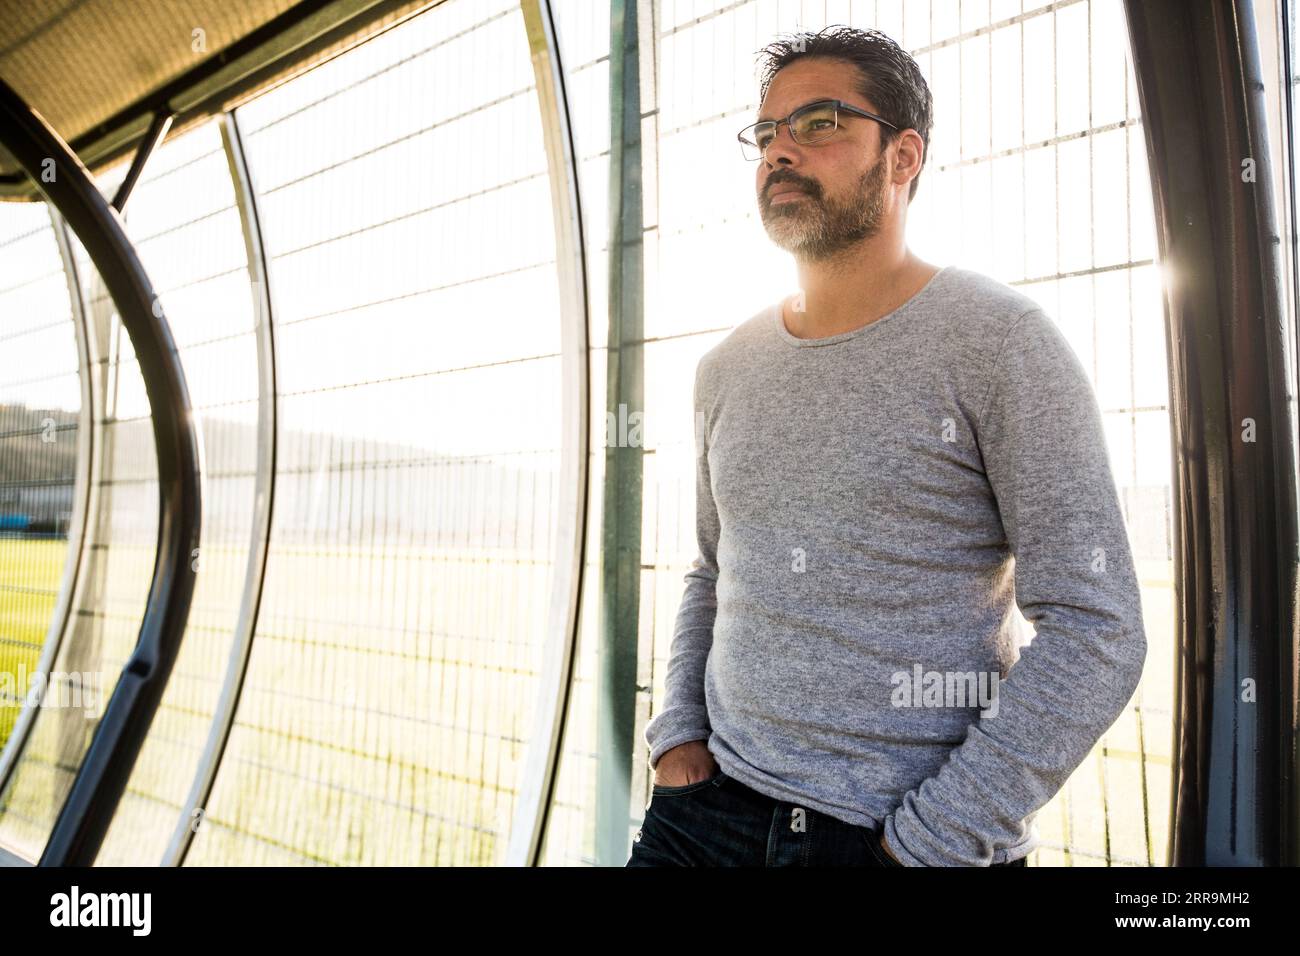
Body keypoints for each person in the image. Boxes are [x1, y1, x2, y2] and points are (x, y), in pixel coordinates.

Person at [628, 24, 1147, 867]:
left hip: (893, 838)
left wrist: (928, 840)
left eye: (821, 122)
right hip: (702, 817)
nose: (779, 152)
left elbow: (1098, 626)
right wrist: (677, 741)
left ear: (903, 157)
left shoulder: (999, 342)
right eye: (766, 133)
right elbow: (714, 568)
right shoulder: (725, 368)